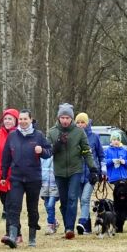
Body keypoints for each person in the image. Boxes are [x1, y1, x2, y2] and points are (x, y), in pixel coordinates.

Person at [0, 109, 51, 248]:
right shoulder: (12, 136)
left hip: (33, 178)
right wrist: (4, 175)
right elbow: (6, 157)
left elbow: (49, 152)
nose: (22, 121)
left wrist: (42, 151)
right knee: (13, 207)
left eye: (25, 119)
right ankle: (12, 236)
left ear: (30, 119)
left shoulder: (38, 135)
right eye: (20, 119)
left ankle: (32, 238)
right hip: (16, 177)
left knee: (32, 208)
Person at [47, 103, 99, 240]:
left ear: (71, 118)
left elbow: (87, 151)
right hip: (59, 172)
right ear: (58, 118)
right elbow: (47, 152)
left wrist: (93, 168)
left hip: (75, 171)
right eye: (62, 117)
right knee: (64, 201)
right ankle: (66, 227)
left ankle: (70, 228)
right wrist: (57, 144)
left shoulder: (79, 132)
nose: (65, 120)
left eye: (67, 117)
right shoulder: (52, 132)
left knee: (72, 198)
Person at [73, 113, 106, 234]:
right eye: (78, 122)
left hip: (91, 174)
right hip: (77, 174)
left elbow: (101, 155)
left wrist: (102, 170)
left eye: (83, 122)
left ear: (87, 123)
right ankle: (86, 227)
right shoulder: (73, 137)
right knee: (82, 201)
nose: (80, 125)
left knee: (85, 198)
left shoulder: (94, 137)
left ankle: (82, 221)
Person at [41, 153, 59, 235]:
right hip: (44, 183)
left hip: (54, 183)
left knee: (50, 205)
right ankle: (54, 221)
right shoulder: (42, 154)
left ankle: (50, 225)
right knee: (46, 205)